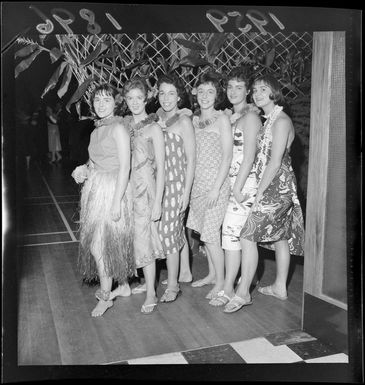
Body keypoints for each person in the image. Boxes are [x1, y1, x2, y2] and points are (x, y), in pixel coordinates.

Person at [224, 74, 305, 313]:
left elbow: (274, 162)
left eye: (263, 89)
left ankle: (243, 293)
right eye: (256, 90)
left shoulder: (280, 121)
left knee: (247, 236)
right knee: (280, 237)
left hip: (277, 188)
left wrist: (259, 194)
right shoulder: (269, 119)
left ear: (275, 93)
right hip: (274, 185)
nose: (258, 94)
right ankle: (280, 286)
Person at [71, 83, 134, 317]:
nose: (101, 104)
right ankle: (124, 286)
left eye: (106, 99)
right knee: (102, 243)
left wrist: (117, 201)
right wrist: (83, 169)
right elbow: (94, 162)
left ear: (115, 103)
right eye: (97, 100)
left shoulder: (118, 128)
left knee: (101, 245)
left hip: (113, 190)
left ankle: (106, 296)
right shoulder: (96, 130)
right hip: (96, 189)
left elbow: (125, 166)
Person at [110, 77, 165, 314]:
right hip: (126, 190)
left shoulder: (154, 128)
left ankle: (152, 292)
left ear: (146, 99)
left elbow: (162, 168)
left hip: (146, 191)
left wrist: (158, 202)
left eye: (138, 98)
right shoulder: (122, 126)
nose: (134, 102)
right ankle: (135, 284)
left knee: (145, 243)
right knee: (129, 240)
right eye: (130, 98)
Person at [209, 67, 262, 307]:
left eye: (239, 87)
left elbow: (249, 156)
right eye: (230, 86)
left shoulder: (251, 117)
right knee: (229, 236)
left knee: (244, 238)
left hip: (245, 183)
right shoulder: (231, 116)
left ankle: (243, 291)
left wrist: (238, 187)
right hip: (232, 183)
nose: (233, 91)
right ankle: (229, 287)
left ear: (248, 91)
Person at [186, 71, 233, 302]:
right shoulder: (193, 120)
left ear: (217, 95)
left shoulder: (222, 118)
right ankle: (213, 275)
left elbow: (227, 156)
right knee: (204, 235)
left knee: (212, 234)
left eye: (211, 91)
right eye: (201, 91)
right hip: (198, 184)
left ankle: (223, 283)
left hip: (217, 184)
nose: (205, 95)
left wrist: (216, 187)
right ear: (195, 93)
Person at [154, 73, 196, 302]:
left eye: (171, 93)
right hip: (158, 185)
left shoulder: (184, 122)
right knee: (174, 232)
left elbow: (191, 160)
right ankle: (184, 272)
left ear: (179, 96)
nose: (166, 98)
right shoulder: (157, 120)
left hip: (176, 185)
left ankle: (172, 285)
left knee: (168, 234)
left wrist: (186, 193)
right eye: (162, 93)